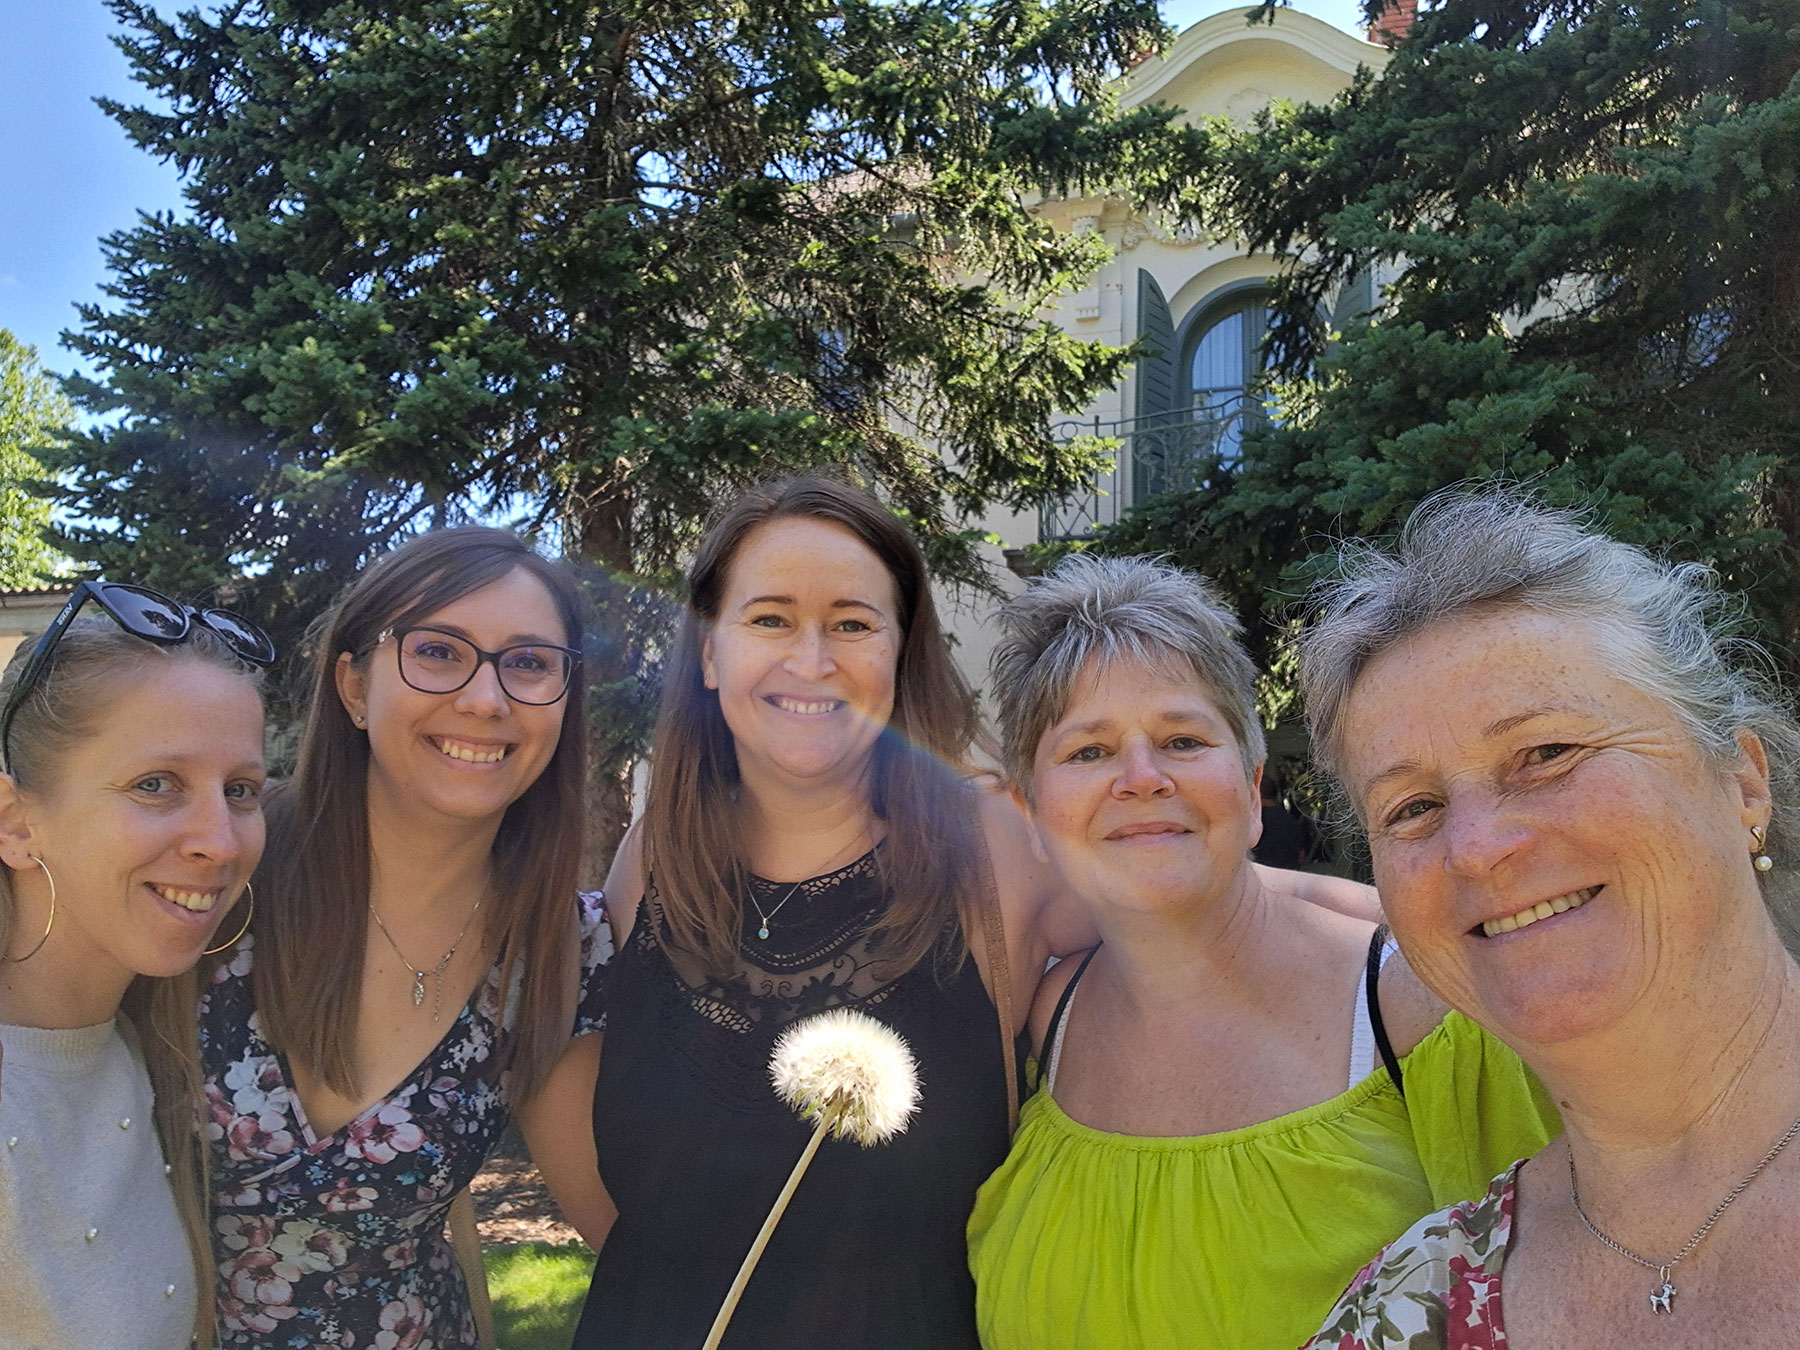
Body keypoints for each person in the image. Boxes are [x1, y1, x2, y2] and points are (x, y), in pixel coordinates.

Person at [576, 476, 1375, 1349]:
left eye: (853, 623)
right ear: (709, 653)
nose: (812, 659)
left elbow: (1213, 889)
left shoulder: (990, 849)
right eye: (770, 619)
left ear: (899, 652)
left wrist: (1415, 933)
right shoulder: (657, 854)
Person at [965, 553, 1561, 1350]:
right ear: (1032, 815)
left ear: (1250, 792)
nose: (1141, 778)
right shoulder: (1045, 1022)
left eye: (1181, 739)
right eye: (1088, 752)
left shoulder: (1423, 1008)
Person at [1298, 491, 1800, 1348]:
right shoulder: (1410, 1311)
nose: (1475, 849)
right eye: (1413, 808)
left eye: (1547, 753)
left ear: (1743, 783)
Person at [199, 528, 612, 1348]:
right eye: (437, 651)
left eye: (530, 663)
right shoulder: (218, 865)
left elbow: (619, 1223)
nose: (487, 699)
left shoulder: (557, 948)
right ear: (354, 685)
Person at [0, 582, 273, 1349]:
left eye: (241, 790)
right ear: (16, 824)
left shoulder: (135, 1046)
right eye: (156, 785)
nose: (220, 841)